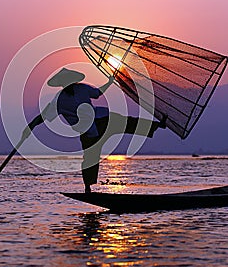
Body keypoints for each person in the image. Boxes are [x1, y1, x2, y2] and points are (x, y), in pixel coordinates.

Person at [21, 68, 167, 193]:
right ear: (62, 84)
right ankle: (88, 188)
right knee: (90, 158)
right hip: (88, 131)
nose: (69, 84)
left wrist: (109, 82)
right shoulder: (58, 100)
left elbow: (97, 93)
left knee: (127, 122)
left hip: (102, 119)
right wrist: (30, 127)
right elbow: (44, 116)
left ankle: (156, 125)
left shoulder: (82, 88)